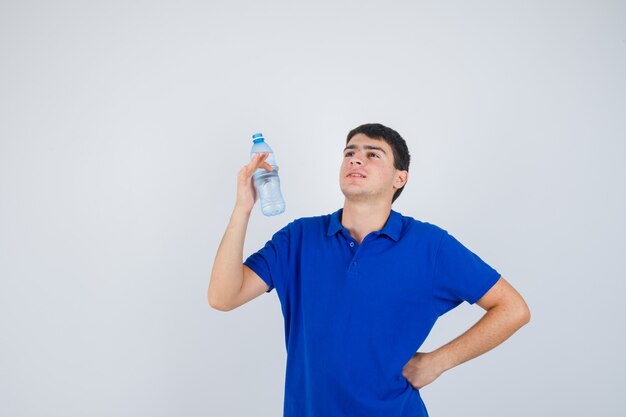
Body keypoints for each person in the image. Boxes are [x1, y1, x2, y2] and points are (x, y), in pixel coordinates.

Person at [208, 123, 530, 417]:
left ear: (399, 178)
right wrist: (243, 208)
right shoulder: (299, 238)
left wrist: (437, 362)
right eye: (349, 153)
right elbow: (223, 297)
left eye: (372, 154)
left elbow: (513, 308)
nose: (356, 160)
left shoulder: (430, 246)